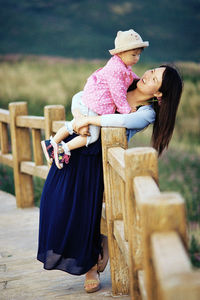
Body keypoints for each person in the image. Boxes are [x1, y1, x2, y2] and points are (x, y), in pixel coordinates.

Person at [37, 65, 183, 294]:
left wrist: (90, 120)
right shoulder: (122, 81)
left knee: (84, 213)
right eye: (152, 70)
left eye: (155, 77)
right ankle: (100, 244)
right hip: (73, 148)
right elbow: (81, 95)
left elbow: (120, 122)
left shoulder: (146, 113)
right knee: (54, 204)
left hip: (95, 160)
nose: (147, 74)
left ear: (160, 93)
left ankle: (91, 266)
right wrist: (78, 117)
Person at [41, 29, 149, 169]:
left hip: (92, 101)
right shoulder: (116, 70)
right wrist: (126, 110)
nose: (136, 58)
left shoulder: (121, 65)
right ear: (120, 53)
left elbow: (130, 76)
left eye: (139, 55)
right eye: (133, 54)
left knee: (75, 123)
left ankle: (52, 143)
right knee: (91, 136)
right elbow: (118, 94)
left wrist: (139, 80)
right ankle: (63, 148)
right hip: (96, 103)